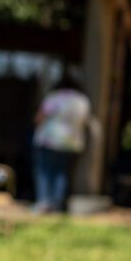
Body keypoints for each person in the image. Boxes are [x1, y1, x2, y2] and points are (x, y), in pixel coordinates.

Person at [31, 74, 92, 213]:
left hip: (49, 140)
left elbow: (39, 117)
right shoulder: (83, 101)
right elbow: (85, 122)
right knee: (61, 173)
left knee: (44, 172)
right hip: (71, 143)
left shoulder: (54, 97)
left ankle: (44, 202)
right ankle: (57, 205)